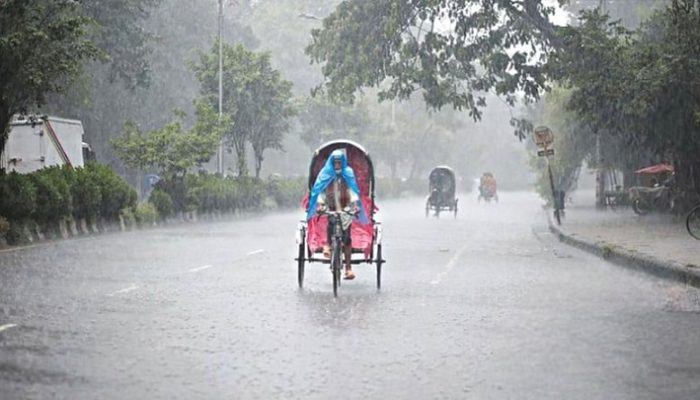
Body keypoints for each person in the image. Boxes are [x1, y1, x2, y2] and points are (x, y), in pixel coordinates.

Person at [306, 149, 368, 280]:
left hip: (346, 207)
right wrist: (321, 204)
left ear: (343, 162)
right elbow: (321, 191)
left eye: (339, 162)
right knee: (331, 224)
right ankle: (328, 245)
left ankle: (348, 268)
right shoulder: (326, 173)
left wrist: (355, 204)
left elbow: (352, 190)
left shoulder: (348, 173)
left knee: (347, 238)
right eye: (335, 162)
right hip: (331, 206)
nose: (337, 165)